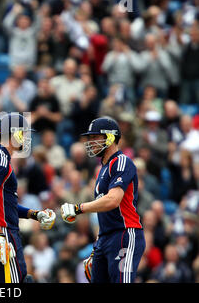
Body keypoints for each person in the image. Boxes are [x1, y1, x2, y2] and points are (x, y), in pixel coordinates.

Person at [61, 116, 145, 283]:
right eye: (89, 138)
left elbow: (113, 200)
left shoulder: (121, 162)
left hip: (124, 234)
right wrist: (98, 244)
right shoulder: (102, 170)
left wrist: (78, 208)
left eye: (94, 137)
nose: (90, 142)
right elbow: (106, 213)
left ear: (110, 137)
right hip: (106, 238)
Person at [0, 112, 56, 283]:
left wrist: (35, 214)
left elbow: (4, 205)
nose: (26, 138)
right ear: (14, 133)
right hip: (0, 231)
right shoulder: (1, 160)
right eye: (24, 133)